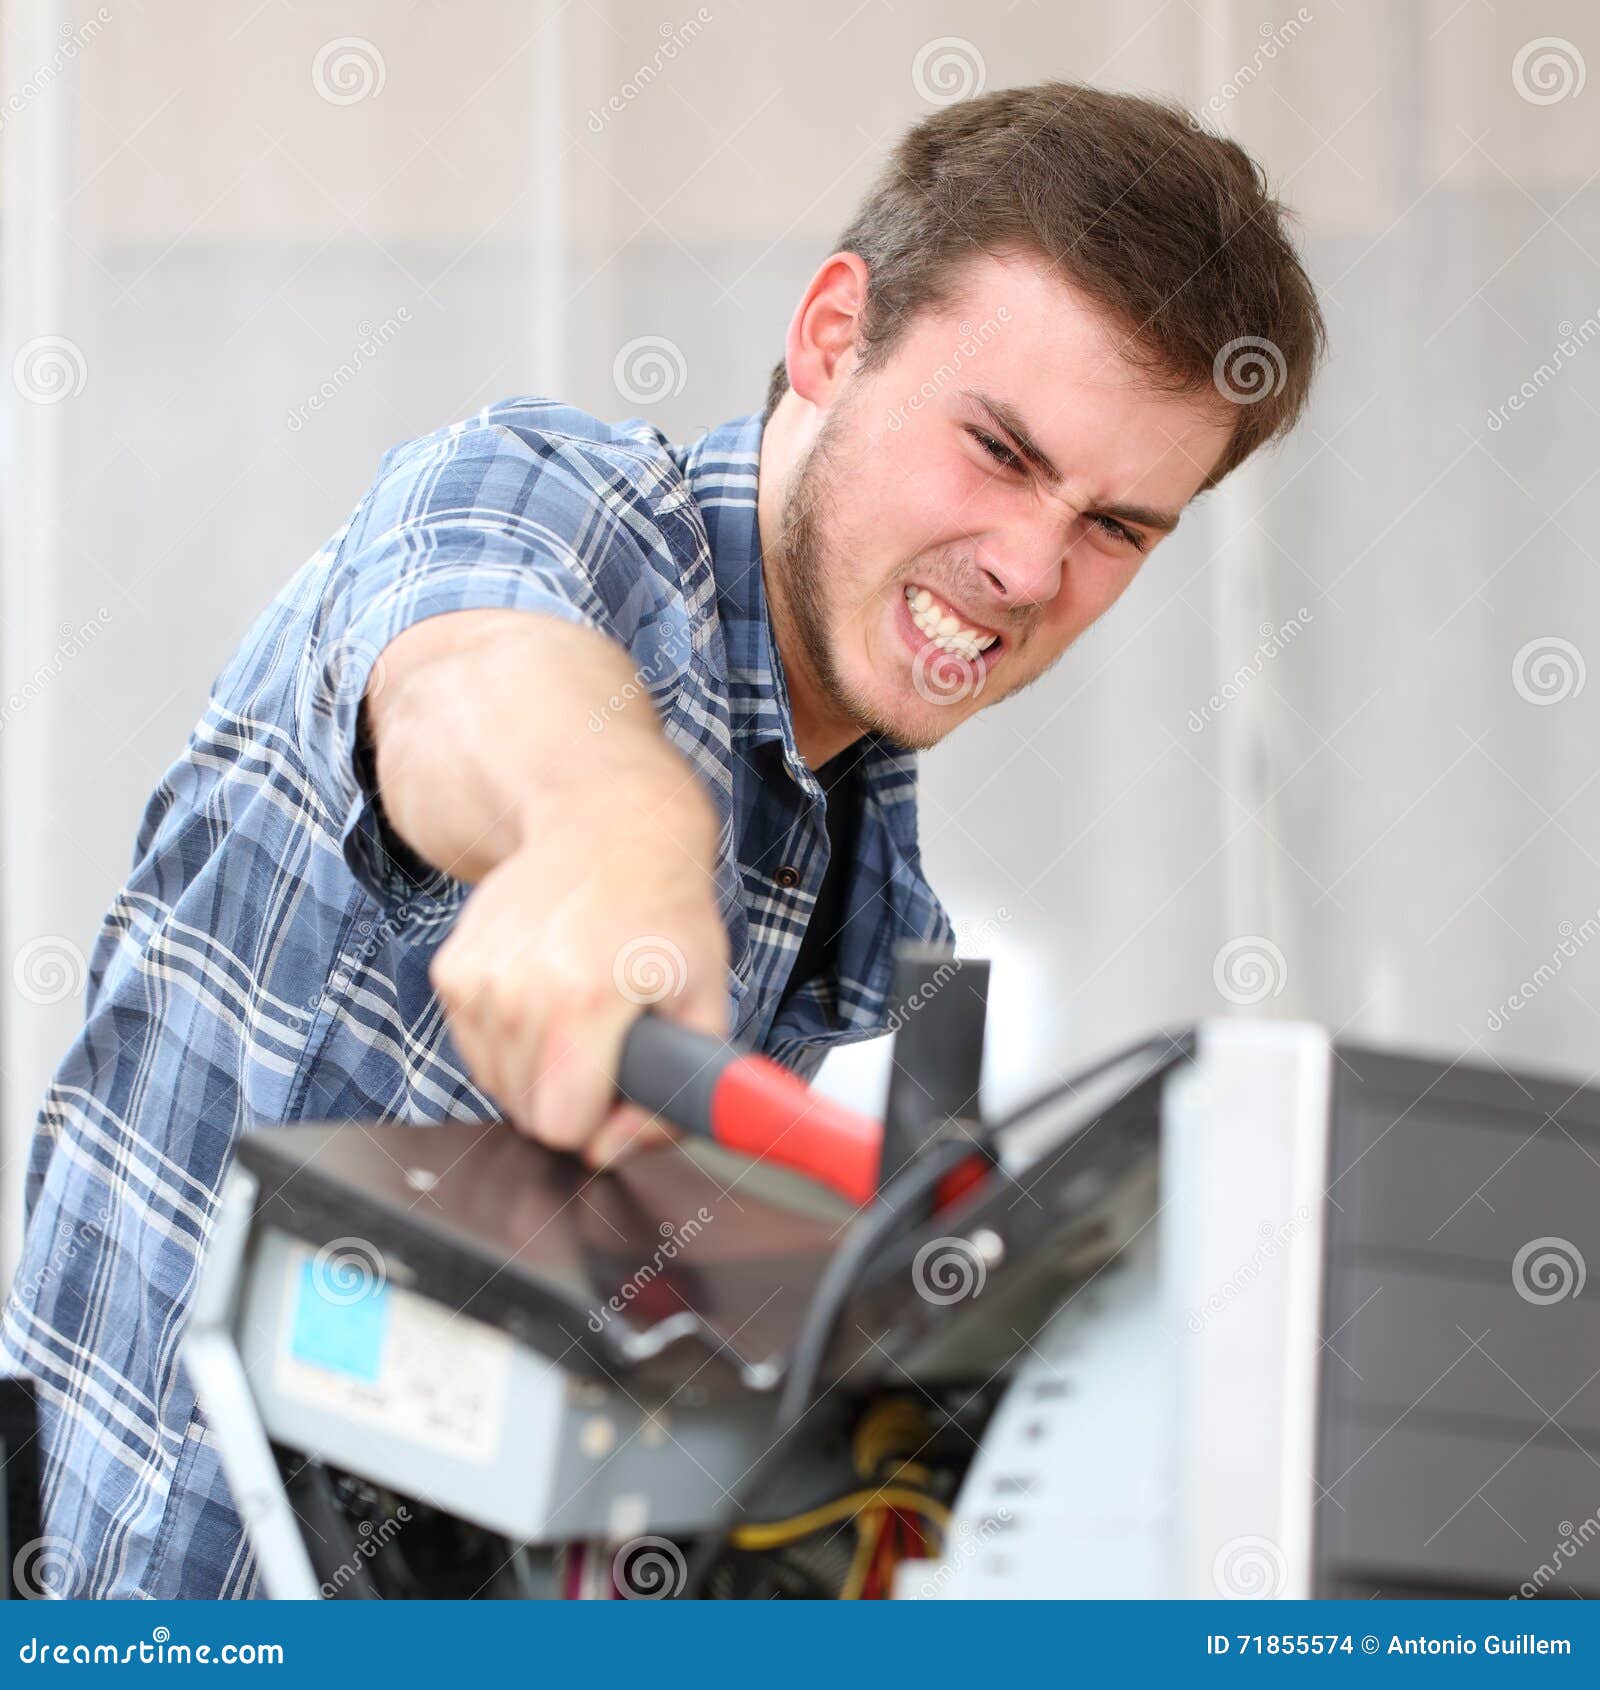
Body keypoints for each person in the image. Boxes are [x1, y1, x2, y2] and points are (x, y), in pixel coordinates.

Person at [1, 82, 1325, 1598]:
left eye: (1116, 528)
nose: (1031, 564)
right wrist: (605, 828)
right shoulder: (550, 508)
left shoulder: (857, 861)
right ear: (835, 334)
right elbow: (470, 662)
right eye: (1000, 451)